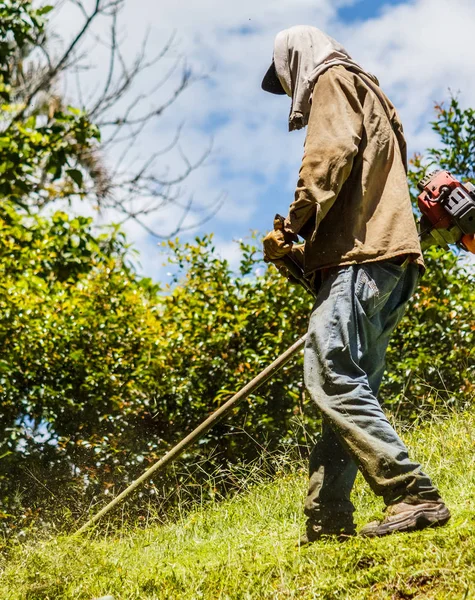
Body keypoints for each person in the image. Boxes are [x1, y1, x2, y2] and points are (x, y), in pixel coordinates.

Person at [261, 25, 450, 543]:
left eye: (285, 75)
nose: (289, 85)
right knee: (345, 387)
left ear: (297, 59)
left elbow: (330, 154)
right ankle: (328, 518)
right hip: (388, 263)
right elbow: (359, 197)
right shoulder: (373, 92)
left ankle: (412, 493)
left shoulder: (334, 80)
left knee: (330, 376)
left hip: (361, 264)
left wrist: (292, 226)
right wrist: (301, 256)